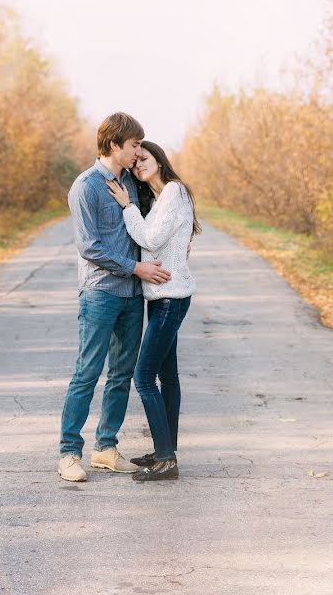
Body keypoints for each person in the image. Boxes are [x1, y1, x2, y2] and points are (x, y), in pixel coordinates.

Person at [58, 113, 172, 482]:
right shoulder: (86, 187)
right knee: (87, 372)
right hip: (100, 293)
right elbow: (90, 247)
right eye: (134, 144)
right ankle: (69, 453)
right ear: (114, 145)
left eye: (140, 144)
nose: (139, 151)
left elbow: (153, 222)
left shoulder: (130, 183)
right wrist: (135, 268)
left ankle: (105, 448)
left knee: (122, 374)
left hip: (132, 296)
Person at [105, 141, 201, 481]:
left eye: (143, 159)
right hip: (165, 297)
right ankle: (167, 450)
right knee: (167, 377)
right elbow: (163, 240)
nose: (139, 166)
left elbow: (152, 239)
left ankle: (165, 459)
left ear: (159, 159)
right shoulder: (163, 198)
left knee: (143, 378)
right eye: (135, 164)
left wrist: (127, 207)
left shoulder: (173, 191)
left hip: (170, 300)